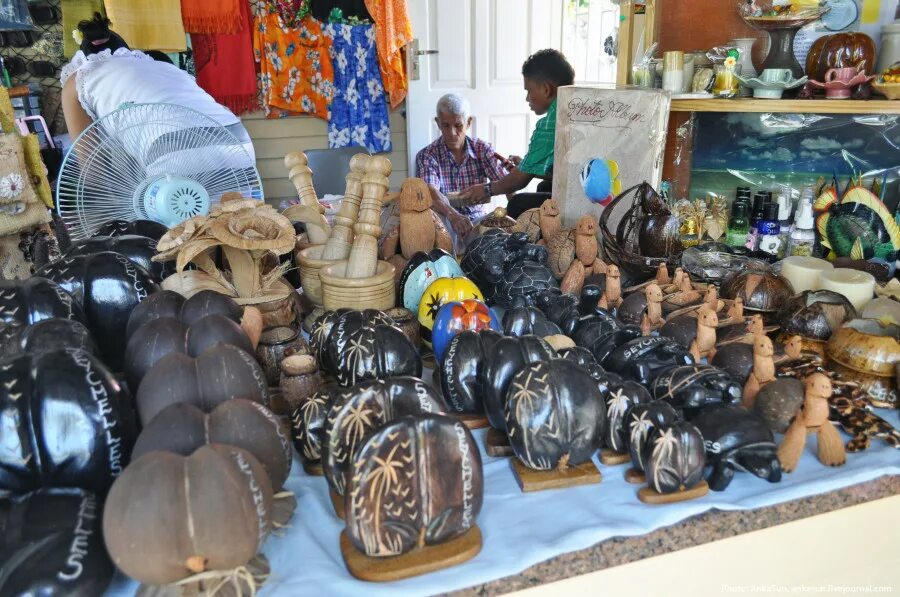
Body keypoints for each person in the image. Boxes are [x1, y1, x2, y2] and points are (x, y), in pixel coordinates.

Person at [60, 13, 253, 158]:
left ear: (82, 59)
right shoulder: (159, 65)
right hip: (238, 142)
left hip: (172, 153)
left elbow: (93, 163)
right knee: (235, 210)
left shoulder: (78, 79)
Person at [456, 49, 575, 219]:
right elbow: (565, 170)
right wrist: (528, 166)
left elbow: (518, 181)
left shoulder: (551, 122)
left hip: (575, 198)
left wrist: (485, 189)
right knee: (544, 186)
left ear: (546, 89)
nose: (527, 98)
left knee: (517, 203)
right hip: (582, 190)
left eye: (529, 91)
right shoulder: (573, 107)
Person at [414, 93, 509, 238]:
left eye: (458, 125)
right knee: (433, 230)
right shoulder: (427, 155)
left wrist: (516, 212)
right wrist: (453, 215)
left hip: (478, 221)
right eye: (446, 125)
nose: (452, 133)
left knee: (501, 223)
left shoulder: (482, 149)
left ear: (468, 122)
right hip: (445, 222)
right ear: (438, 123)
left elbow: (508, 184)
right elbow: (429, 191)